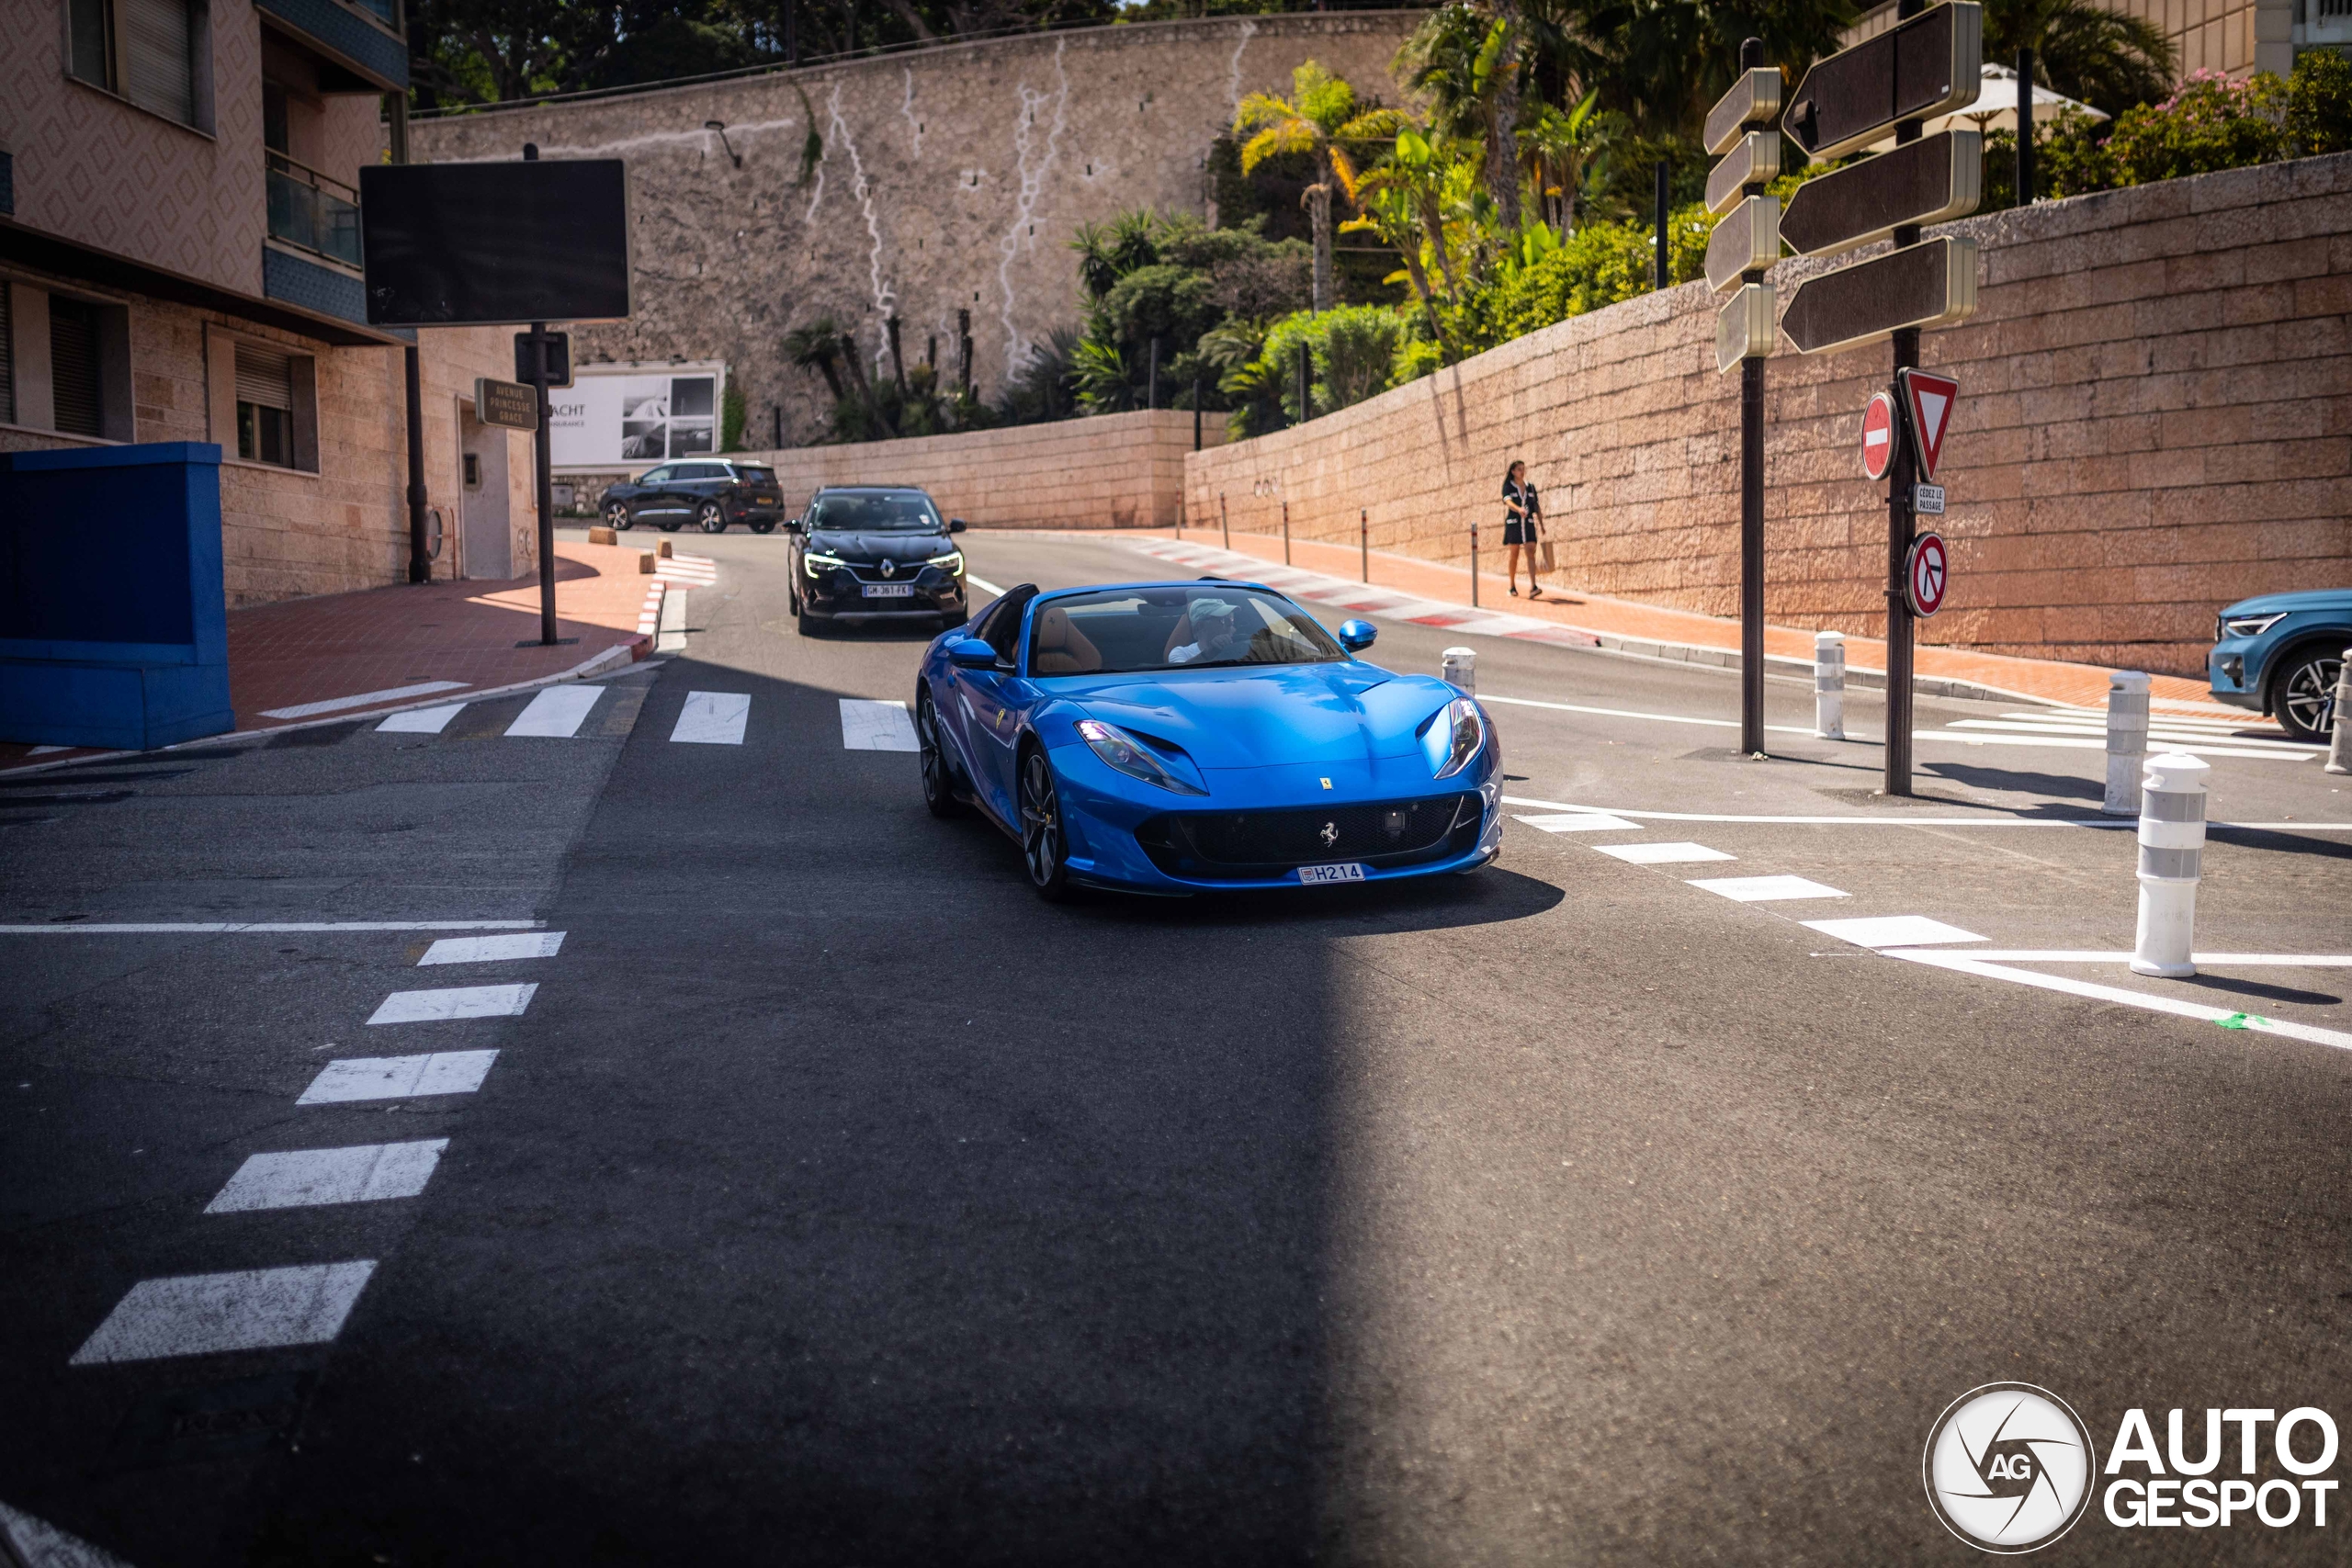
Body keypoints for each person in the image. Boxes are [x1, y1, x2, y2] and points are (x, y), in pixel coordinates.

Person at [1501, 460, 1545, 600]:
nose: (1522, 471)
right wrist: (1518, 509)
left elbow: (1536, 506)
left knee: (1530, 551)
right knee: (1514, 554)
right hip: (1514, 523)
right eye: (1519, 469)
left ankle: (1533, 586)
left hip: (1528, 523)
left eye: (1523, 469)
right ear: (1513, 471)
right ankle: (1512, 585)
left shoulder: (1530, 487)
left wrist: (1542, 524)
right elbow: (1507, 500)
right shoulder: (1508, 486)